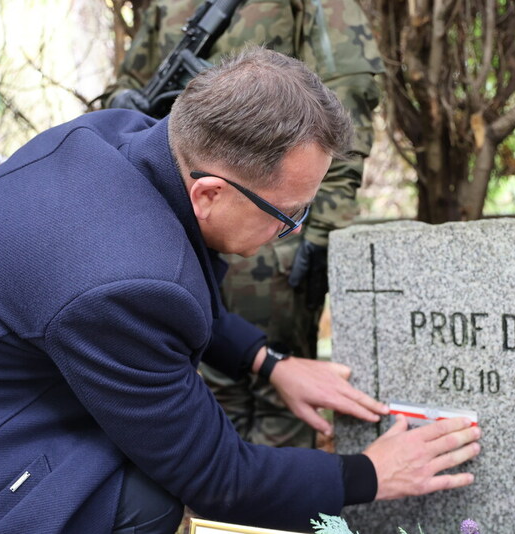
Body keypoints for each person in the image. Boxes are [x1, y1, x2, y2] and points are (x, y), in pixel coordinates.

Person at [0, 48, 480, 533]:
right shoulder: (124, 277)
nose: (293, 230)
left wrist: (269, 364)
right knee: (144, 503)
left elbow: (168, 295)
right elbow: (214, 476)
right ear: (210, 193)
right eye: (289, 214)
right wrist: (369, 475)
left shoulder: (113, 141)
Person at [102, 0, 383, 448]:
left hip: (275, 233)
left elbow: (343, 111)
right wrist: (125, 101)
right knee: (206, 389)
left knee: (283, 398)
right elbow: (132, 79)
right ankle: (222, 505)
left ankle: (276, 509)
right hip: (183, 221)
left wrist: (323, 227)